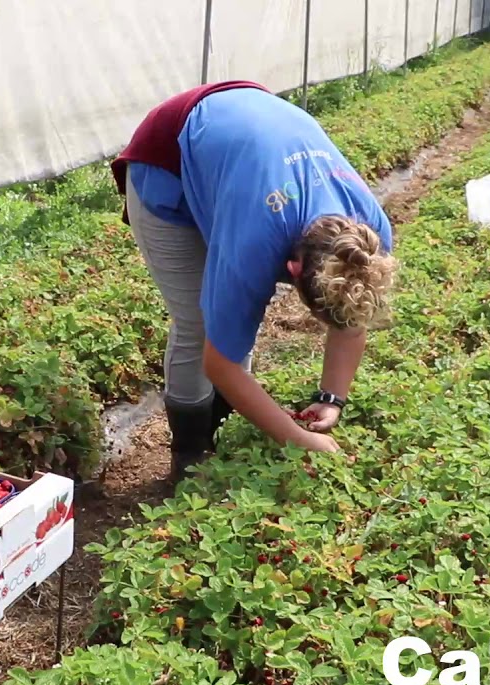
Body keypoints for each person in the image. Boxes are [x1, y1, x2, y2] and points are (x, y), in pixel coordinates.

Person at [111, 80, 398, 483]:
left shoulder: (367, 238)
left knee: (230, 320)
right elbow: (219, 361)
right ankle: (190, 450)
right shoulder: (256, 240)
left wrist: (331, 400)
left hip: (242, 150)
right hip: (169, 157)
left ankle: (224, 425)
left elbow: (351, 321)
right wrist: (294, 437)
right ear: (292, 271)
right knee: (199, 323)